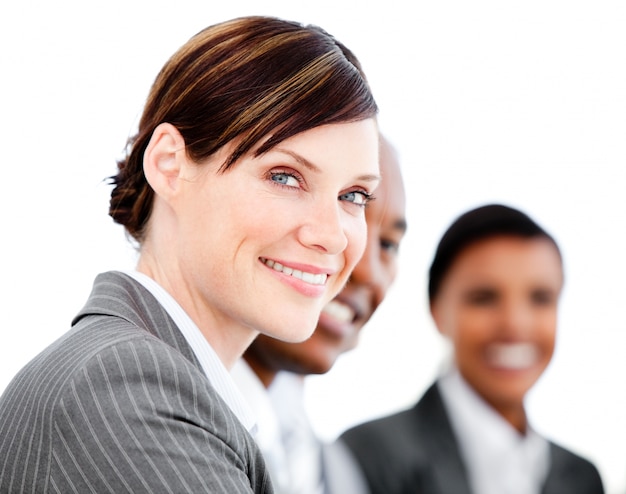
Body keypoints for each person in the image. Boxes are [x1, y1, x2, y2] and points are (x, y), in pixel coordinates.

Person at [0, 16, 381, 493]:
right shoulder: (125, 388)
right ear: (170, 165)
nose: (333, 236)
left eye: (354, 196)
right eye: (284, 176)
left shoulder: (167, 384)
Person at [340, 204, 605, 494]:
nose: (515, 324)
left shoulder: (582, 478)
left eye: (540, 298)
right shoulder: (367, 457)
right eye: (484, 298)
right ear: (437, 310)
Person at [232, 134, 407, 493]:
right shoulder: (144, 408)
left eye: (388, 244)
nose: (368, 272)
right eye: (285, 181)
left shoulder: (342, 471)